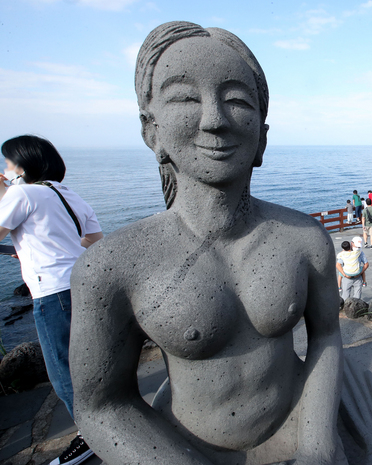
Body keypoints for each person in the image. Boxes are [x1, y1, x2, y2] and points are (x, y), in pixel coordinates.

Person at [70, 22, 346, 464]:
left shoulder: (305, 240)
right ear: (152, 132)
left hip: (298, 418)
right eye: (184, 98)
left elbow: (327, 336)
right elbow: (102, 405)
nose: (214, 119)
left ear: (263, 137)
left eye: (237, 100)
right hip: (183, 446)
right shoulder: (112, 267)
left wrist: (319, 445)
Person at [0, 135, 104, 465]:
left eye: (7, 163)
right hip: (83, 286)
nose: (4, 168)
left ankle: (93, 436)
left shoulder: (21, 193)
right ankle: (110, 421)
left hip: (53, 293)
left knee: (63, 373)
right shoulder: (68, 194)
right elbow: (93, 239)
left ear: (21, 166)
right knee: (91, 363)